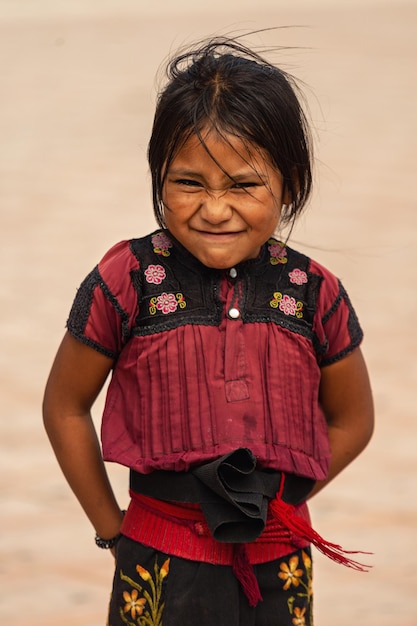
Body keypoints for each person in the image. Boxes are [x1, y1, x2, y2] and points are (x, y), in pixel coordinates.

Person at [43, 35, 374, 626]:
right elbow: (66, 407)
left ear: (290, 183)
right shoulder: (128, 278)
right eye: (188, 183)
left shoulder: (311, 290)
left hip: (281, 564)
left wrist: (279, 509)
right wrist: (113, 532)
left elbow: (353, 419)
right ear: (158, 178)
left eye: (244, 185)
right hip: (156, 559)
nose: (215, 209)